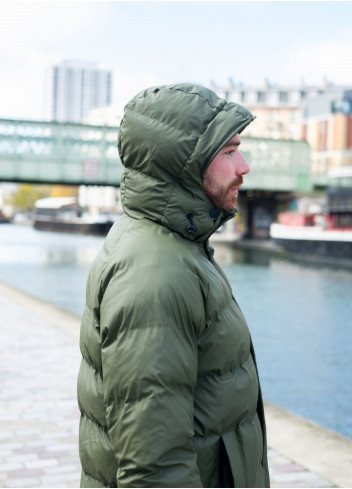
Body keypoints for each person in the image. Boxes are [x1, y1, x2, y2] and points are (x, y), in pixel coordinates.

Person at [77, 83, 270, 488]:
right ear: (186, 163)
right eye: (229, 152)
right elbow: (154, 465)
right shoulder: (156, 273)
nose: (245, 166)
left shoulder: (177, 246)